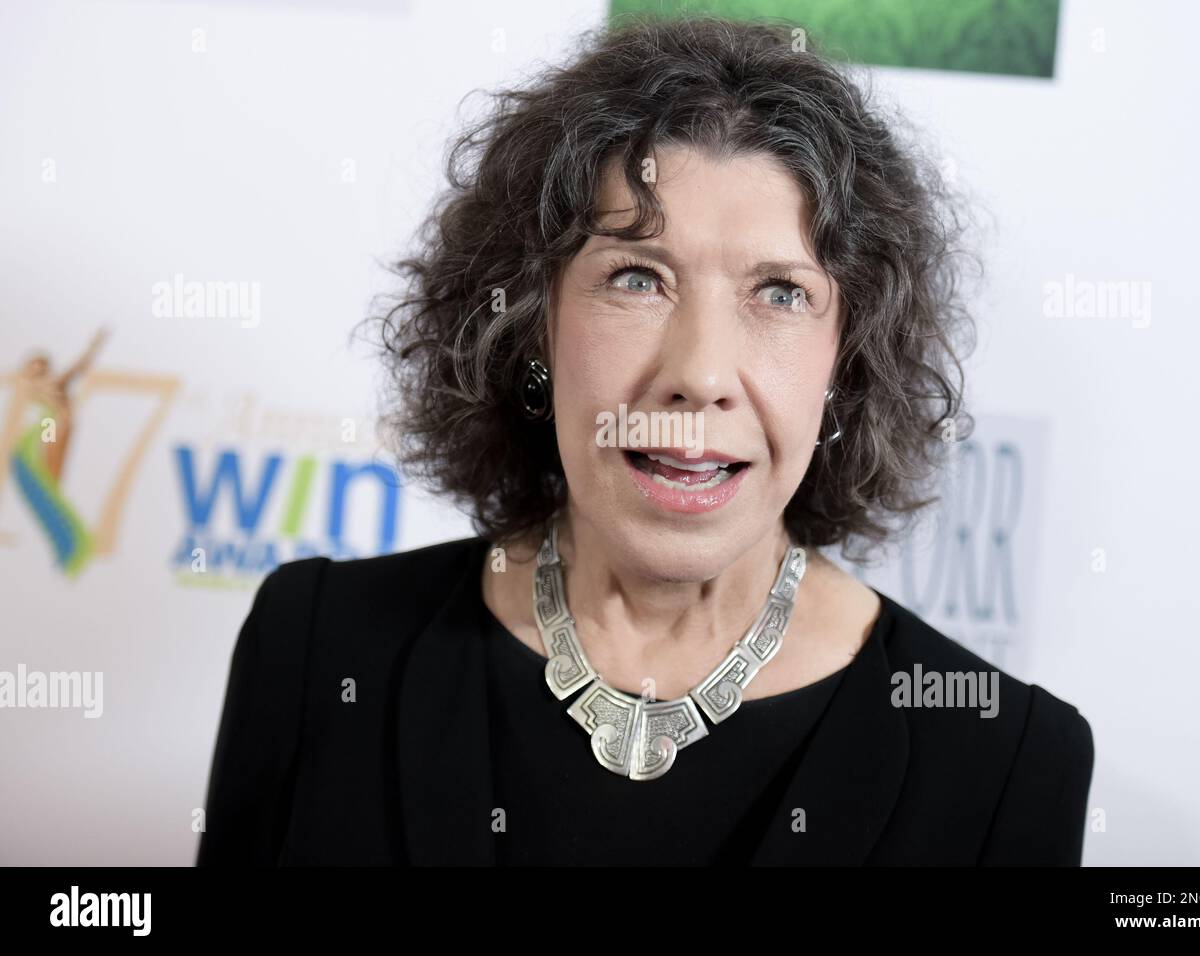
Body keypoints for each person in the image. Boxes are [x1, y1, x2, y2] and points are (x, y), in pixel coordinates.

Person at [197, 16, 1092, 866]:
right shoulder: (318, 649)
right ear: (530, 326)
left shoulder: (1003, 760)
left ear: (846, 362)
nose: (699, 373)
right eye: (637, 277)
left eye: (780, 293)